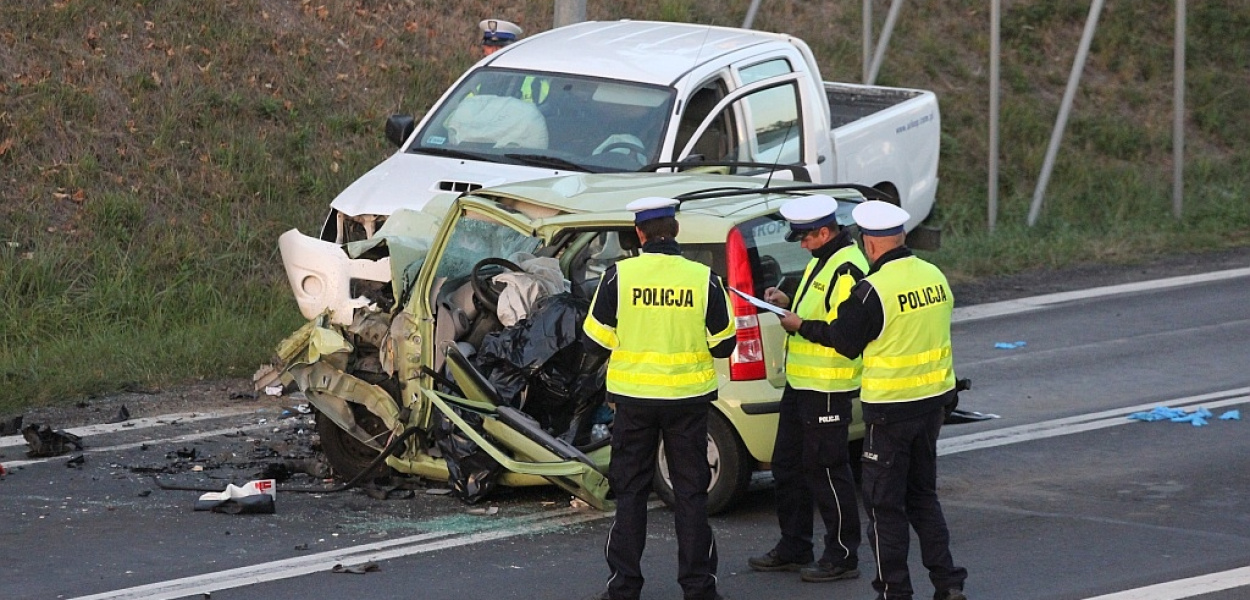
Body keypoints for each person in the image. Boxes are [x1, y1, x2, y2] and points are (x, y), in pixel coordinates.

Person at [779, 200, 969, 600]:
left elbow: (843, 341)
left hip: (890, 411)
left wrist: (801, 326)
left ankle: (893, 591)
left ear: (869, 243)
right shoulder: (934, 276)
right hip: (933, 404)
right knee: (923, 499)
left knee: (884, 507)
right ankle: (948, 583)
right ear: (901, 236)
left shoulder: (873, 290)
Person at [583, 196, 737, 600]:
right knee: (691, 495)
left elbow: (594, 341)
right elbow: (724, 344)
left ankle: (624, 588)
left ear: (640, 233)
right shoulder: (703, 279)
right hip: (688, 402)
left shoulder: (618, 276)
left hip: (633, 402)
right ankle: (699, 589)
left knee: (631, 494)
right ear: (676, 230)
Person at [748, 194, 866, 583]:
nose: (802, 245)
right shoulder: (823, 260)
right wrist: (788, 302)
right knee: (787, 466)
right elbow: (820, 308)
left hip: (828, 386)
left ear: (825, 232)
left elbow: (844, 334)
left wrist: (800, 326)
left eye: (805, 237)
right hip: (802, 384)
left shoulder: (847, 268)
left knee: (828, 471)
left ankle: (842, 556)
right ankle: (795, 546)